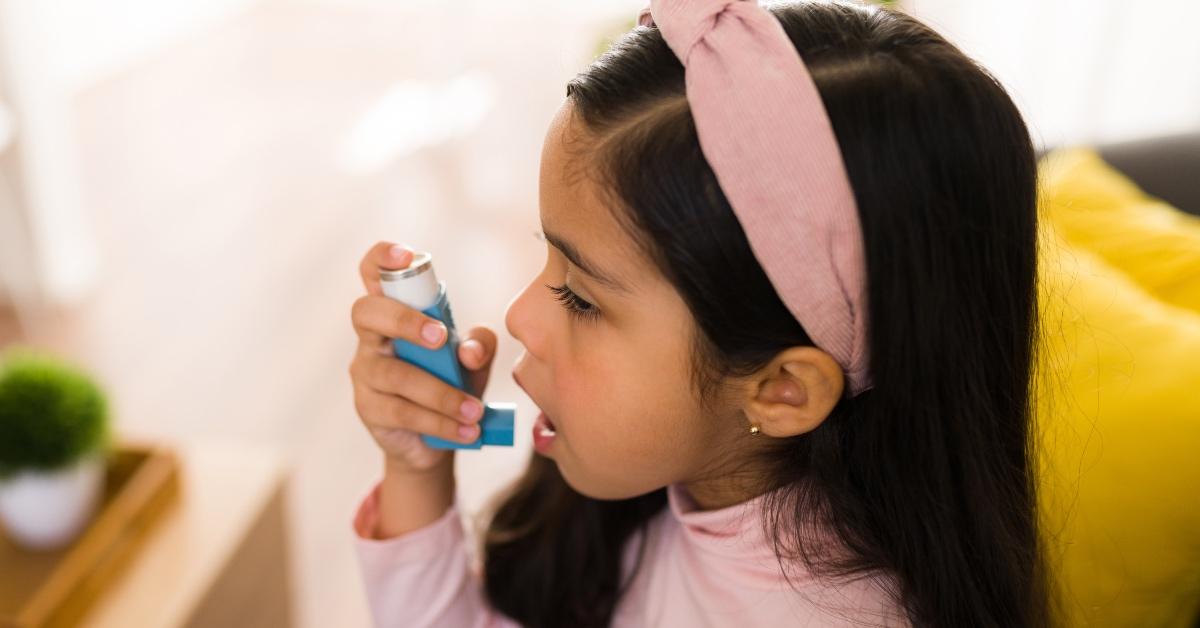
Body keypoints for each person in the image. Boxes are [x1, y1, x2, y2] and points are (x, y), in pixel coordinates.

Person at [346, 1, 1052, 626]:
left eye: (581, 297)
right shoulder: (669, 481)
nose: (521, 315)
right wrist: (419, 466)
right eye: (549, 258)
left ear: (783, 389)